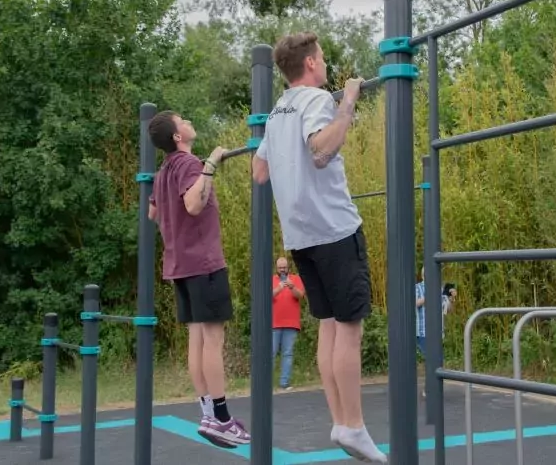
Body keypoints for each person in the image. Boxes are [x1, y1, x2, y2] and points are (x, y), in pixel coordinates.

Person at [251, 31, 387, 464]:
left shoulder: (278, 111)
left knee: (329, 325)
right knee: (349, 328)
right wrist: (348, 102)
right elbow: (320, 152)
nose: (325, 63)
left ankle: (341, 421)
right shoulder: (316, 100)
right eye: (323, 57)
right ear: (310, 63)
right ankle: (354, 424)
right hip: (334, 229)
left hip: (301, 238)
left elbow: (259, 171)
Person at [147, 110, 251, 449]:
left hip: (179, 264)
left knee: (197, 339)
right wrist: (210, 165)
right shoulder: (190, 164)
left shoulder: (163, 172)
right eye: (183, 121)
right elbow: (193, 205)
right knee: (213, 340)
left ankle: (208, 414)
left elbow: (153, 212)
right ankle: (222, 418)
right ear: (177, 137)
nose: (189, 122)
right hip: (203, 263)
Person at [415, 267, 456, 397]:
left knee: (437, 360)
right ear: (424, 276)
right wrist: (429, 296)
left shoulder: (440, 290)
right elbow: (414, 303)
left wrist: (451, 298)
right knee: (432, 359)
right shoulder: (417, 288)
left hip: (437, 332)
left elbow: (448, 310)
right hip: (423, 331)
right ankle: (429, 389)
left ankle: (432, 389)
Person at [272, 256, 305, 391]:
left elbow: (300, 295)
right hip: (274, 323)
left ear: (288, 267)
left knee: (287, 353)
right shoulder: (271, 280)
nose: (282, 270)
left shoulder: (296, 279)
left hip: (291, 323)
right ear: (276, 268)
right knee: (271, 353)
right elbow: (265, 297)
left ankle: (284, 383)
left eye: (284, 267)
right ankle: (266, 384)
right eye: (280, 268)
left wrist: (292, 287)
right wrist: (278, 289)